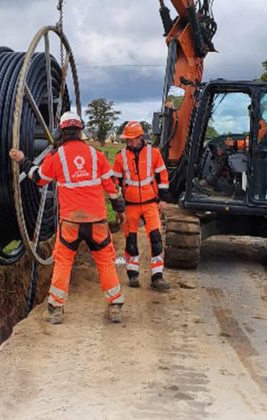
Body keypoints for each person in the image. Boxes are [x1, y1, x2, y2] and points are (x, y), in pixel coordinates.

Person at [10, 111, 126, 324]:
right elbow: (112, 189)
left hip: (71, 222)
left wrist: (23, 160)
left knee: (63, 261)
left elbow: (39, 179)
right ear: (80, 131)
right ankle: (115, 306)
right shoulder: (96, 155)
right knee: (105, 261)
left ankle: (55, 310)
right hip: (97, 221)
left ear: (61, 132)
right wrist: (120, 210)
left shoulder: (57, 157)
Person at [112, 121, 171, 290]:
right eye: (127, 140)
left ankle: (157, 276)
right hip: (130, 205)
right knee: (131, 241)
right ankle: (132, 275)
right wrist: (118, 205)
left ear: (140, 138)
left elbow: (162, 177)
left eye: (131, 139)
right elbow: (114, 182)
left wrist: (164, 199)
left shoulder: (154, 154)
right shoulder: (120, 157)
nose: (129, 143)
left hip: (150, 203)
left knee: (156, 239)